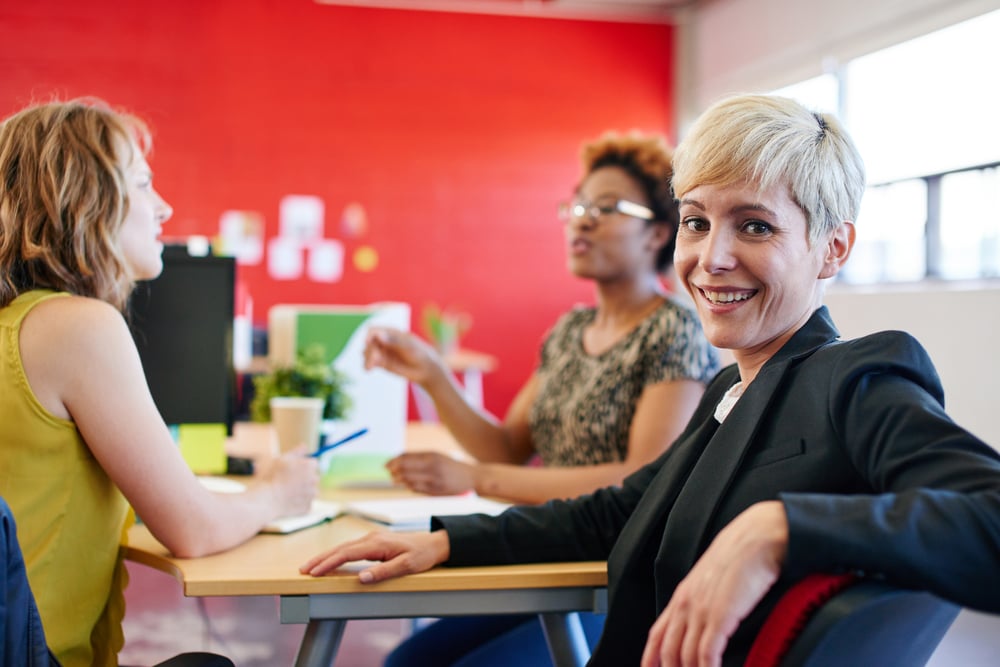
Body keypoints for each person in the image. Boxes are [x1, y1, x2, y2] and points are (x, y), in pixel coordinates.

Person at [301, 93, 1000, 667]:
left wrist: (783, 526)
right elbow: (615, 511)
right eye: (697, 222)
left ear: (833, 248)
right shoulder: (731, 391)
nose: (711, 257)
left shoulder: (857, 380)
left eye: (754, 226)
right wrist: (447, 539)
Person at [364, 133, 719, 665]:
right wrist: (435, 376)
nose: (581, 219)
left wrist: (473, 479)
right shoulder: (569, 330)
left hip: (614, 578)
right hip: (549, 553)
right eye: (577, 206)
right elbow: (506, 447)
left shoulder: (674, 331)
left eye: (606, 207)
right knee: (405, 662)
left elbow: (640, 482)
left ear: (657, 234)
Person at [0, 99, 319, 667]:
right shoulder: (78, 327)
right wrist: (277, 491)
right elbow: (192, 530)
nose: (164, 206)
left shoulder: (18, 326)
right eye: (143, 184)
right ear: (85, 199)